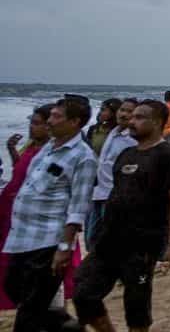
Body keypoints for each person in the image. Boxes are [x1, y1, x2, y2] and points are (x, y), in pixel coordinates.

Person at [73, 99, 170, 332]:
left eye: (139, 118)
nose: (131, 121)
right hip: (110, 239)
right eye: (131, 116)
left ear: (156, 122)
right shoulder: (126, 154)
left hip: (143, 243)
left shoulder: (168, 155)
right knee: (83, 291)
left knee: (135, 306)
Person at [3, 98, 94, 331]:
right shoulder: (47, 148)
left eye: (56, 117)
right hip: (22, 237)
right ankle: (68, 327)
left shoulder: (82, 157)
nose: (50, 121)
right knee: (14, 288)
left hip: (48, 241)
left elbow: (78, 206)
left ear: (74, 122)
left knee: (29, 312)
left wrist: (65, 247)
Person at [0, 105, 56, 312]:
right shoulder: (31, 146)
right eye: (31, 123)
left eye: (37, 123)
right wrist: (12, 150)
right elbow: (19, 169)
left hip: (35, 215)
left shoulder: (53, 152)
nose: (32, 127)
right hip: (12, 206)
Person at [86, 99, 137, 249]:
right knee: (91, 238)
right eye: (122, 110)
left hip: (114, 195)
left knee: (107, 237)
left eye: (129, 111)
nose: (124, 114)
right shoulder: (113, 133)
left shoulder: (132, 139)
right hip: (98, 192)